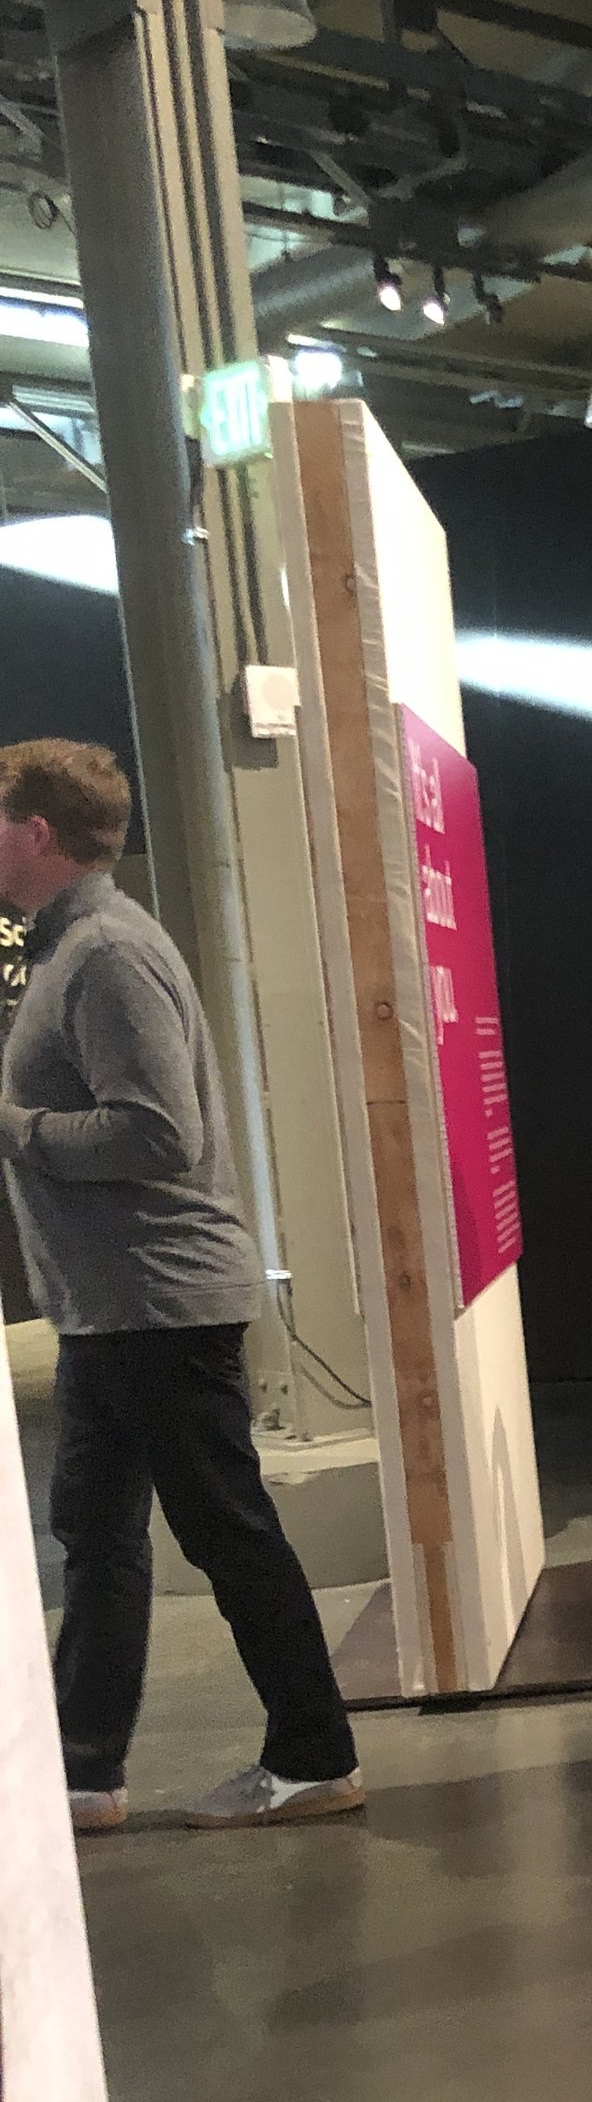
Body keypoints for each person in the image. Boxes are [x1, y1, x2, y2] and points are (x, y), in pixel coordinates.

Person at [0, 739, 363, 1832]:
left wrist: (16, 1130)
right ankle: (82, 1772)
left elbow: (161, 1131)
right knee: (100, 1536)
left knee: (225, 1531)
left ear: (36, 833)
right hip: (115, 1310)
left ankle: (316, 1756)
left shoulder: (105, 954)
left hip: (162, 1305)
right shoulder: (73, 948)